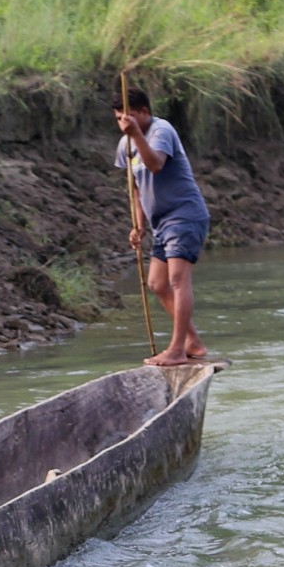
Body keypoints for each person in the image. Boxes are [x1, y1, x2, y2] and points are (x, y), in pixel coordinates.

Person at [113, 88, 211, 366]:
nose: (123, 123)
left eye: (129, 116)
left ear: (144, 112)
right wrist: (138, 224)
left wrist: (136, 135)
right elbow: (135, 187)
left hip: (185, 215)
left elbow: (155, 165)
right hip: (160, 222)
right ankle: (194, 342)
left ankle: (178, 349)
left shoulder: (161, 131)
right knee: (156, 283)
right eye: (119, 118)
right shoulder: (126, 143)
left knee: (177, 280)